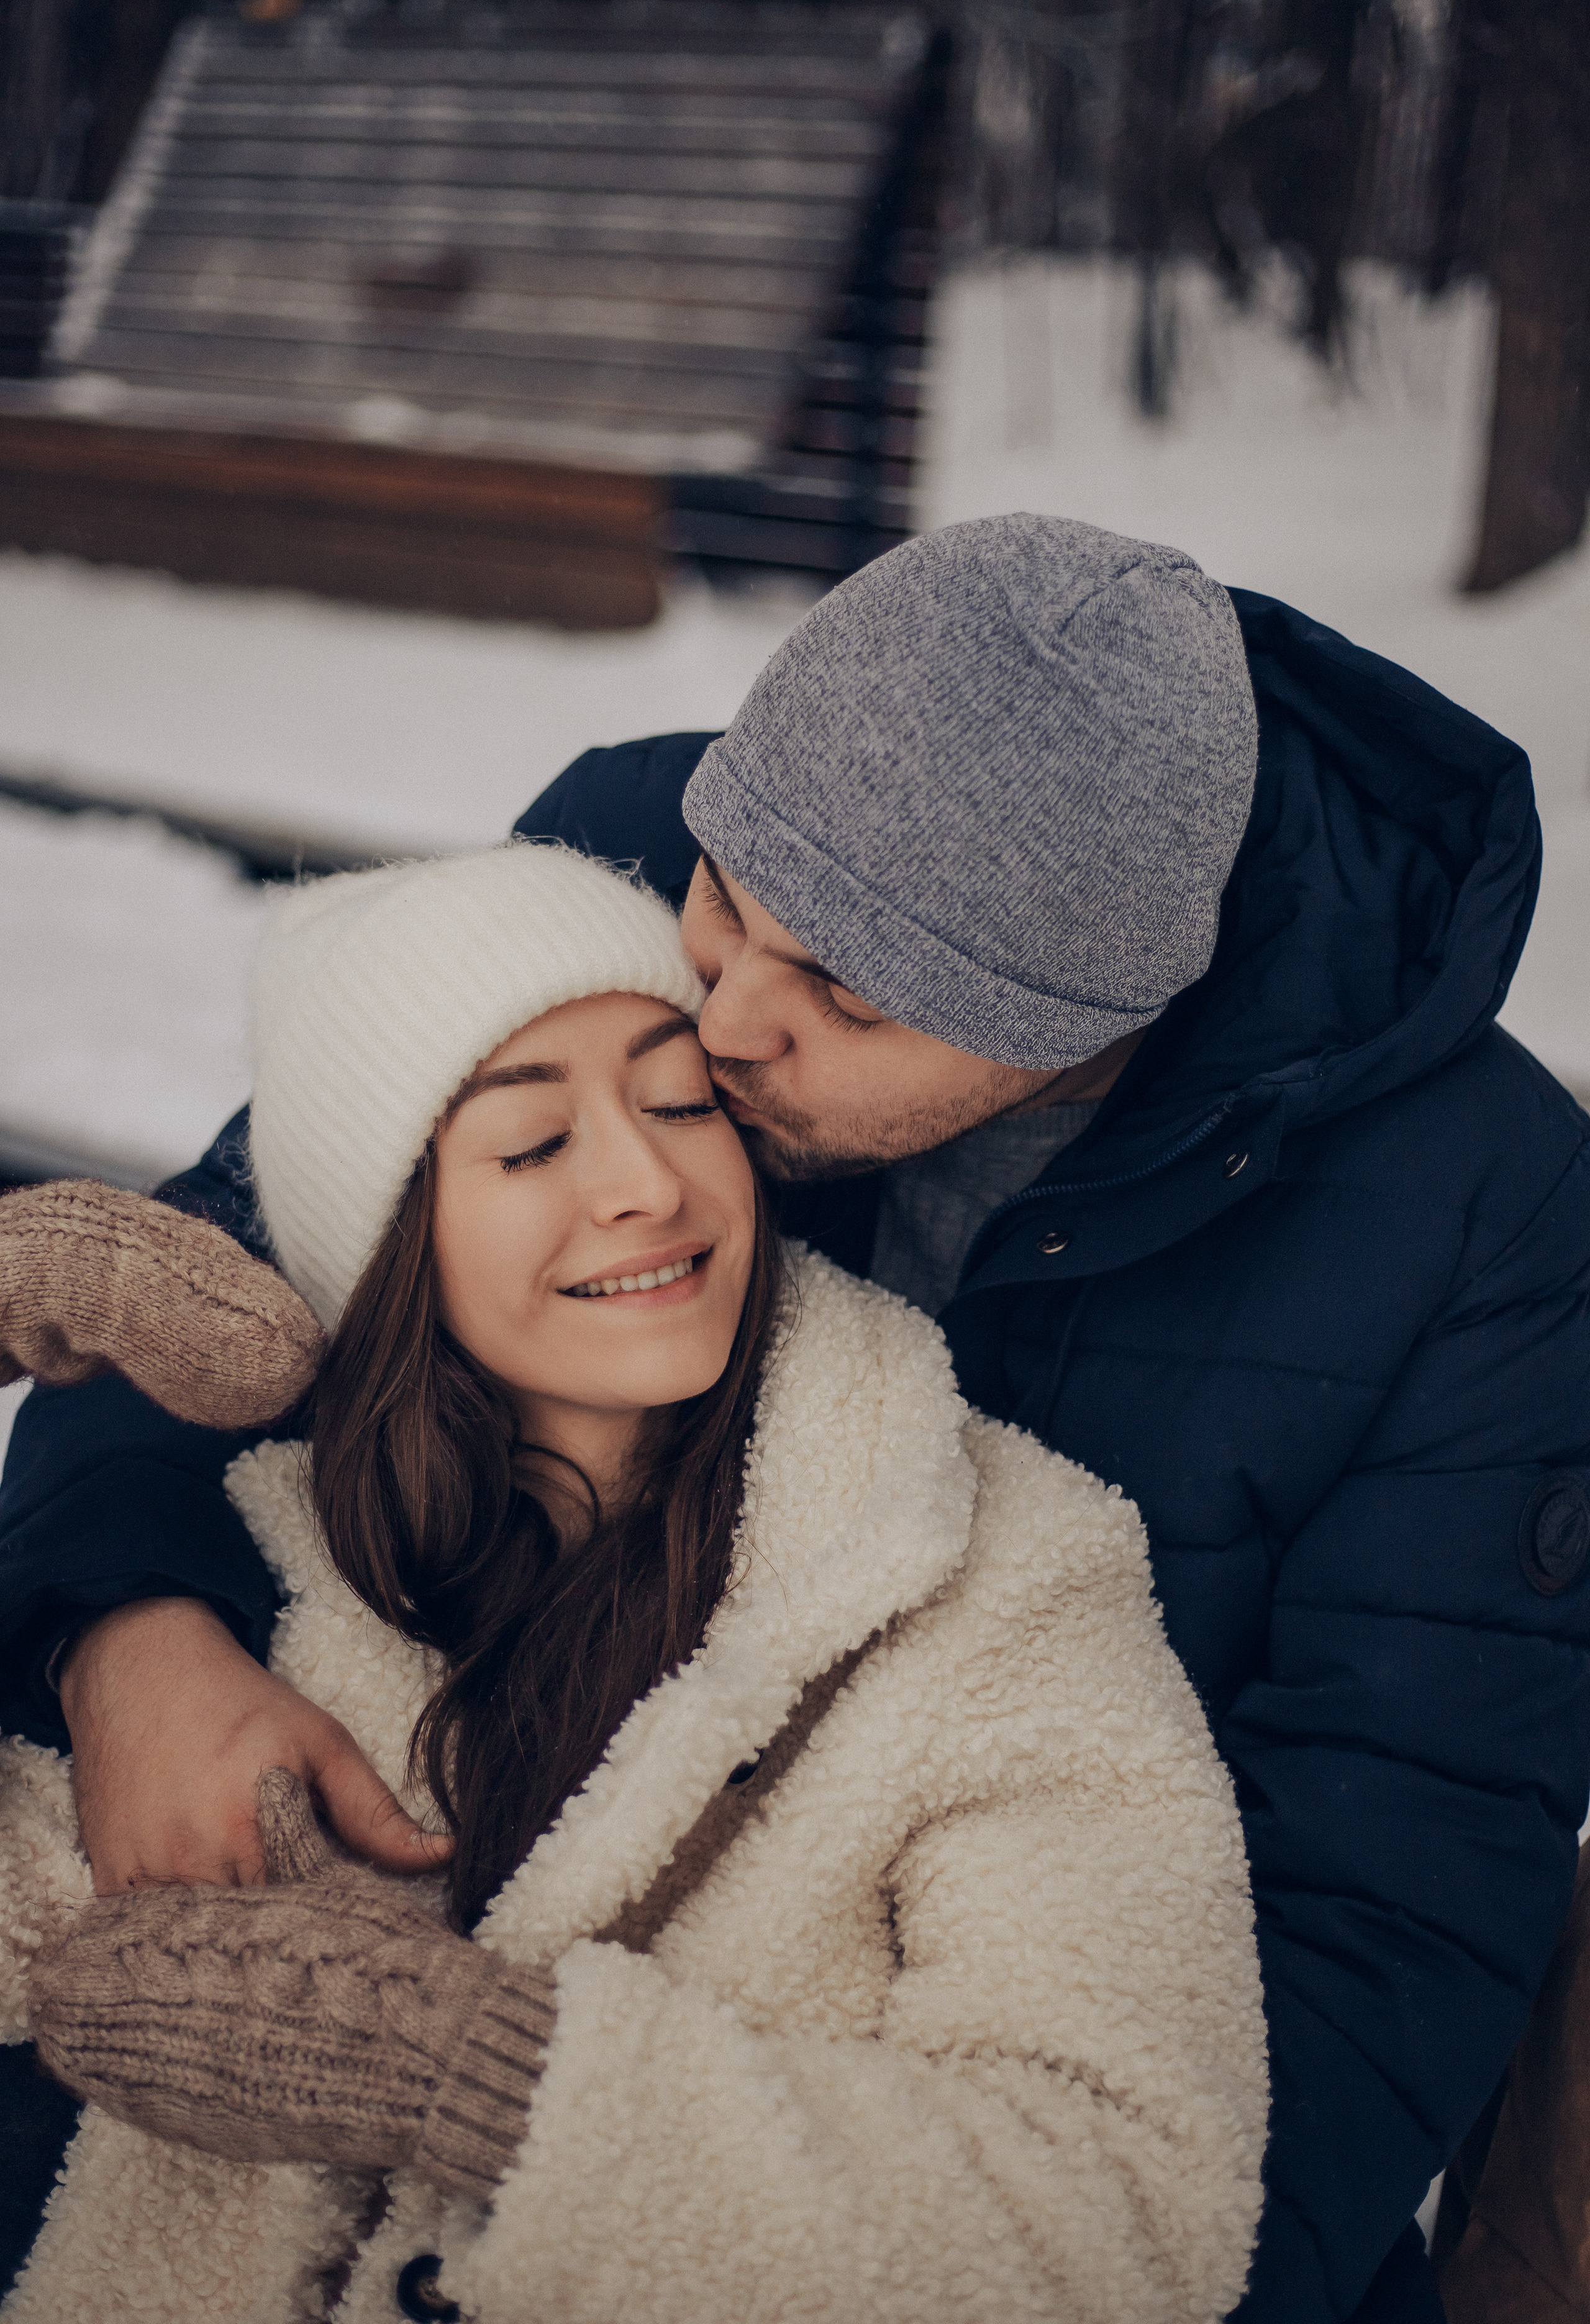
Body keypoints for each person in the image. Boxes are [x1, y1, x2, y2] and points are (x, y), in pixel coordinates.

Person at [1, 512, 1587, 2322]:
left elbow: (1384, 1900)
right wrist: (123, 1632)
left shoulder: (1469, 1219)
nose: (727, 1021)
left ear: (1092, 1018)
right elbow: (268, 1242)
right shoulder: (651, 830)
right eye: (726, 904)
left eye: (842, 991)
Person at [0, 842, 1266, 2324]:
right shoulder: (254, 1576)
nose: (646, 1183)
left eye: (677, 1103)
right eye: (535, 1145)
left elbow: (1125, 2219)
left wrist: (488, 2079)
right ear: (388, 1241)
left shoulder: (995, 1580)